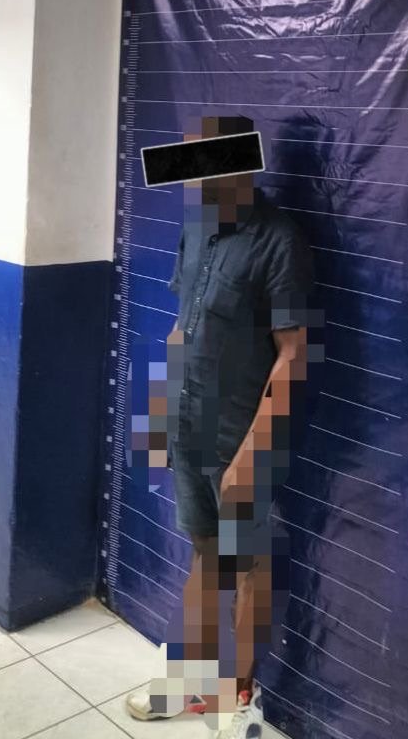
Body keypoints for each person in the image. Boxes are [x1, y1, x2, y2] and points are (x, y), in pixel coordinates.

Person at [126, 115, 312, 738]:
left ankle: (239, 701)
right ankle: (185, 681)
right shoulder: (196, 231)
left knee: (249, 563)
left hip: (242, 436)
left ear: (238, 167)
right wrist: (158, 412)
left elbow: (293, 354)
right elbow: (183, 326)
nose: (190, 180)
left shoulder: (279, 240)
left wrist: (253, 451)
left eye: (201, 165)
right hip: (189, 427)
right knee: (207, 555)